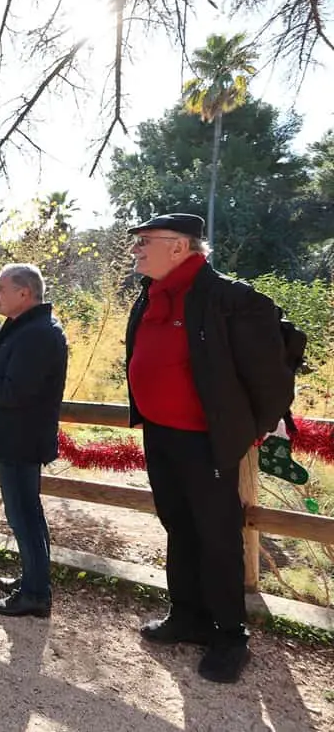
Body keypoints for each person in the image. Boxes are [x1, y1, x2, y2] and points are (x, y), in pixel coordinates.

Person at [126, 213, 294, 684]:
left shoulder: (232, 300)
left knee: (218, 535)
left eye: (145, 241)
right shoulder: (151, 295)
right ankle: (187, 615)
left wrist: (242, 431)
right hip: (161, 433)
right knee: (178, 525)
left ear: (180, 247)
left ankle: (229, 634)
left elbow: (272, 382)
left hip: (206, 441)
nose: (136, 249)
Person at [0, 264, 67, 618]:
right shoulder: (25, 328)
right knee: (26, 515)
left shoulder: (37, 334)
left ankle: (35, 593)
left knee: (24, 517)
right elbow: (8, 371)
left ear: (25, 293)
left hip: (20, 440)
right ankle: (32, 581)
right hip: (15, 438)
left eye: (2, 288)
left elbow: (15, 391)